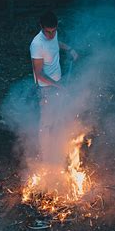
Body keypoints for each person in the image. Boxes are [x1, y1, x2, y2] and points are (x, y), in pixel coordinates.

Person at [29, 11, 78, 161]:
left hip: (57, 84)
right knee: (46, 122)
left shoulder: (53, 35)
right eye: (47, 32)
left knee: (60, 116)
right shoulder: (37, 44)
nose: (51, 35)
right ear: (41, 27)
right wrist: (58, 86)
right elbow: (39, 74)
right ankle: (46, 156)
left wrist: (69, 49)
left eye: (54, 31)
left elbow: (56, 43)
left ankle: (59, 147)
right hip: (46, 88)